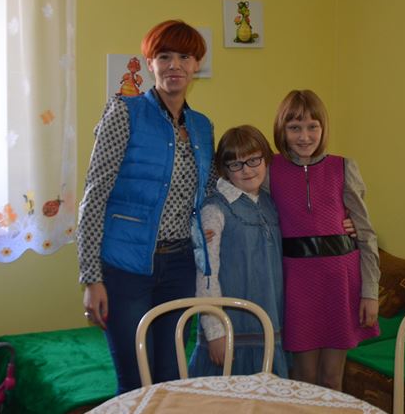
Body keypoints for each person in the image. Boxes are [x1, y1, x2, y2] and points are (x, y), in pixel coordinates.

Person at [77, 20, 216, 394]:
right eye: (164, 56)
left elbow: (211, 190)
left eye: (184, 57)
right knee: (135, 379)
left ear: (196, 64)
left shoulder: (202, 127)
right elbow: (94, 196)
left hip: (180, 266)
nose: (175, 65)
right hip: (126, 268)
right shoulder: (124, 112)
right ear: (150, 63)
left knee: (171, 375)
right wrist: (91, 278)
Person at [268, 89, 380, 391]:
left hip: (341, 284)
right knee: (303, 378)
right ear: (281, 129)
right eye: (294, 127)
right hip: (297, 285)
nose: (304, 136)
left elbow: (366, 234)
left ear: (323, 128)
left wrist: (370, 292)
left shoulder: (343, 167)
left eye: (312, 126)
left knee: (332, 378)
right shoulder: (269, 169)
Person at [188, 125, 289, 378]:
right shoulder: (214, 210)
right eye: (236, 164)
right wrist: (215, 331)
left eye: (254, 159)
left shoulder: (270, 202)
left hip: (269, 326)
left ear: (265, 158)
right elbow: (206, 274)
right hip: (231, 335)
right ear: (224, 168)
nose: (247, 170)